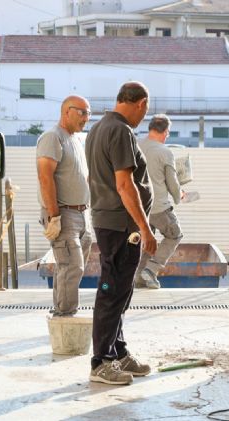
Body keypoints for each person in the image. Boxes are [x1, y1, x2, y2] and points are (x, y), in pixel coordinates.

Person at [85, 82, 157, 386]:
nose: (144, 115)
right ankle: (101, 361)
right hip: (120, 226)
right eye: (146, 109)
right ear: (140, 103)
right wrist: (144, 227)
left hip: (111, 222)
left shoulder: (99, 128)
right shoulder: (121, 131)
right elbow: (125, 184)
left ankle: (118, 351)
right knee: (112, 292)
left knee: (121, 291)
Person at [36, 95, 93, 317]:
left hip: (82, 214)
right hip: (64, 213)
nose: (86, 118)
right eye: (82, 112)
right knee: (72, 267)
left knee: (68, 267)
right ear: (66, 111)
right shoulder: (52, 137)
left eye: (89, 113)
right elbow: (45, 177)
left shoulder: (76, 140)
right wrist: (54, 216)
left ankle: (61, 312)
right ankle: (66, 317)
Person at [133, 114, 183, 289]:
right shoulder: (165, 152)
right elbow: (172, 182)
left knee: (149, 241)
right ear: (166, 132)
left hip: (138, 207)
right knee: (174, 235)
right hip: (159, 207)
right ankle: (152, 270)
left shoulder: (135, 145)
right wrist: (179, 196)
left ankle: (139, 278)